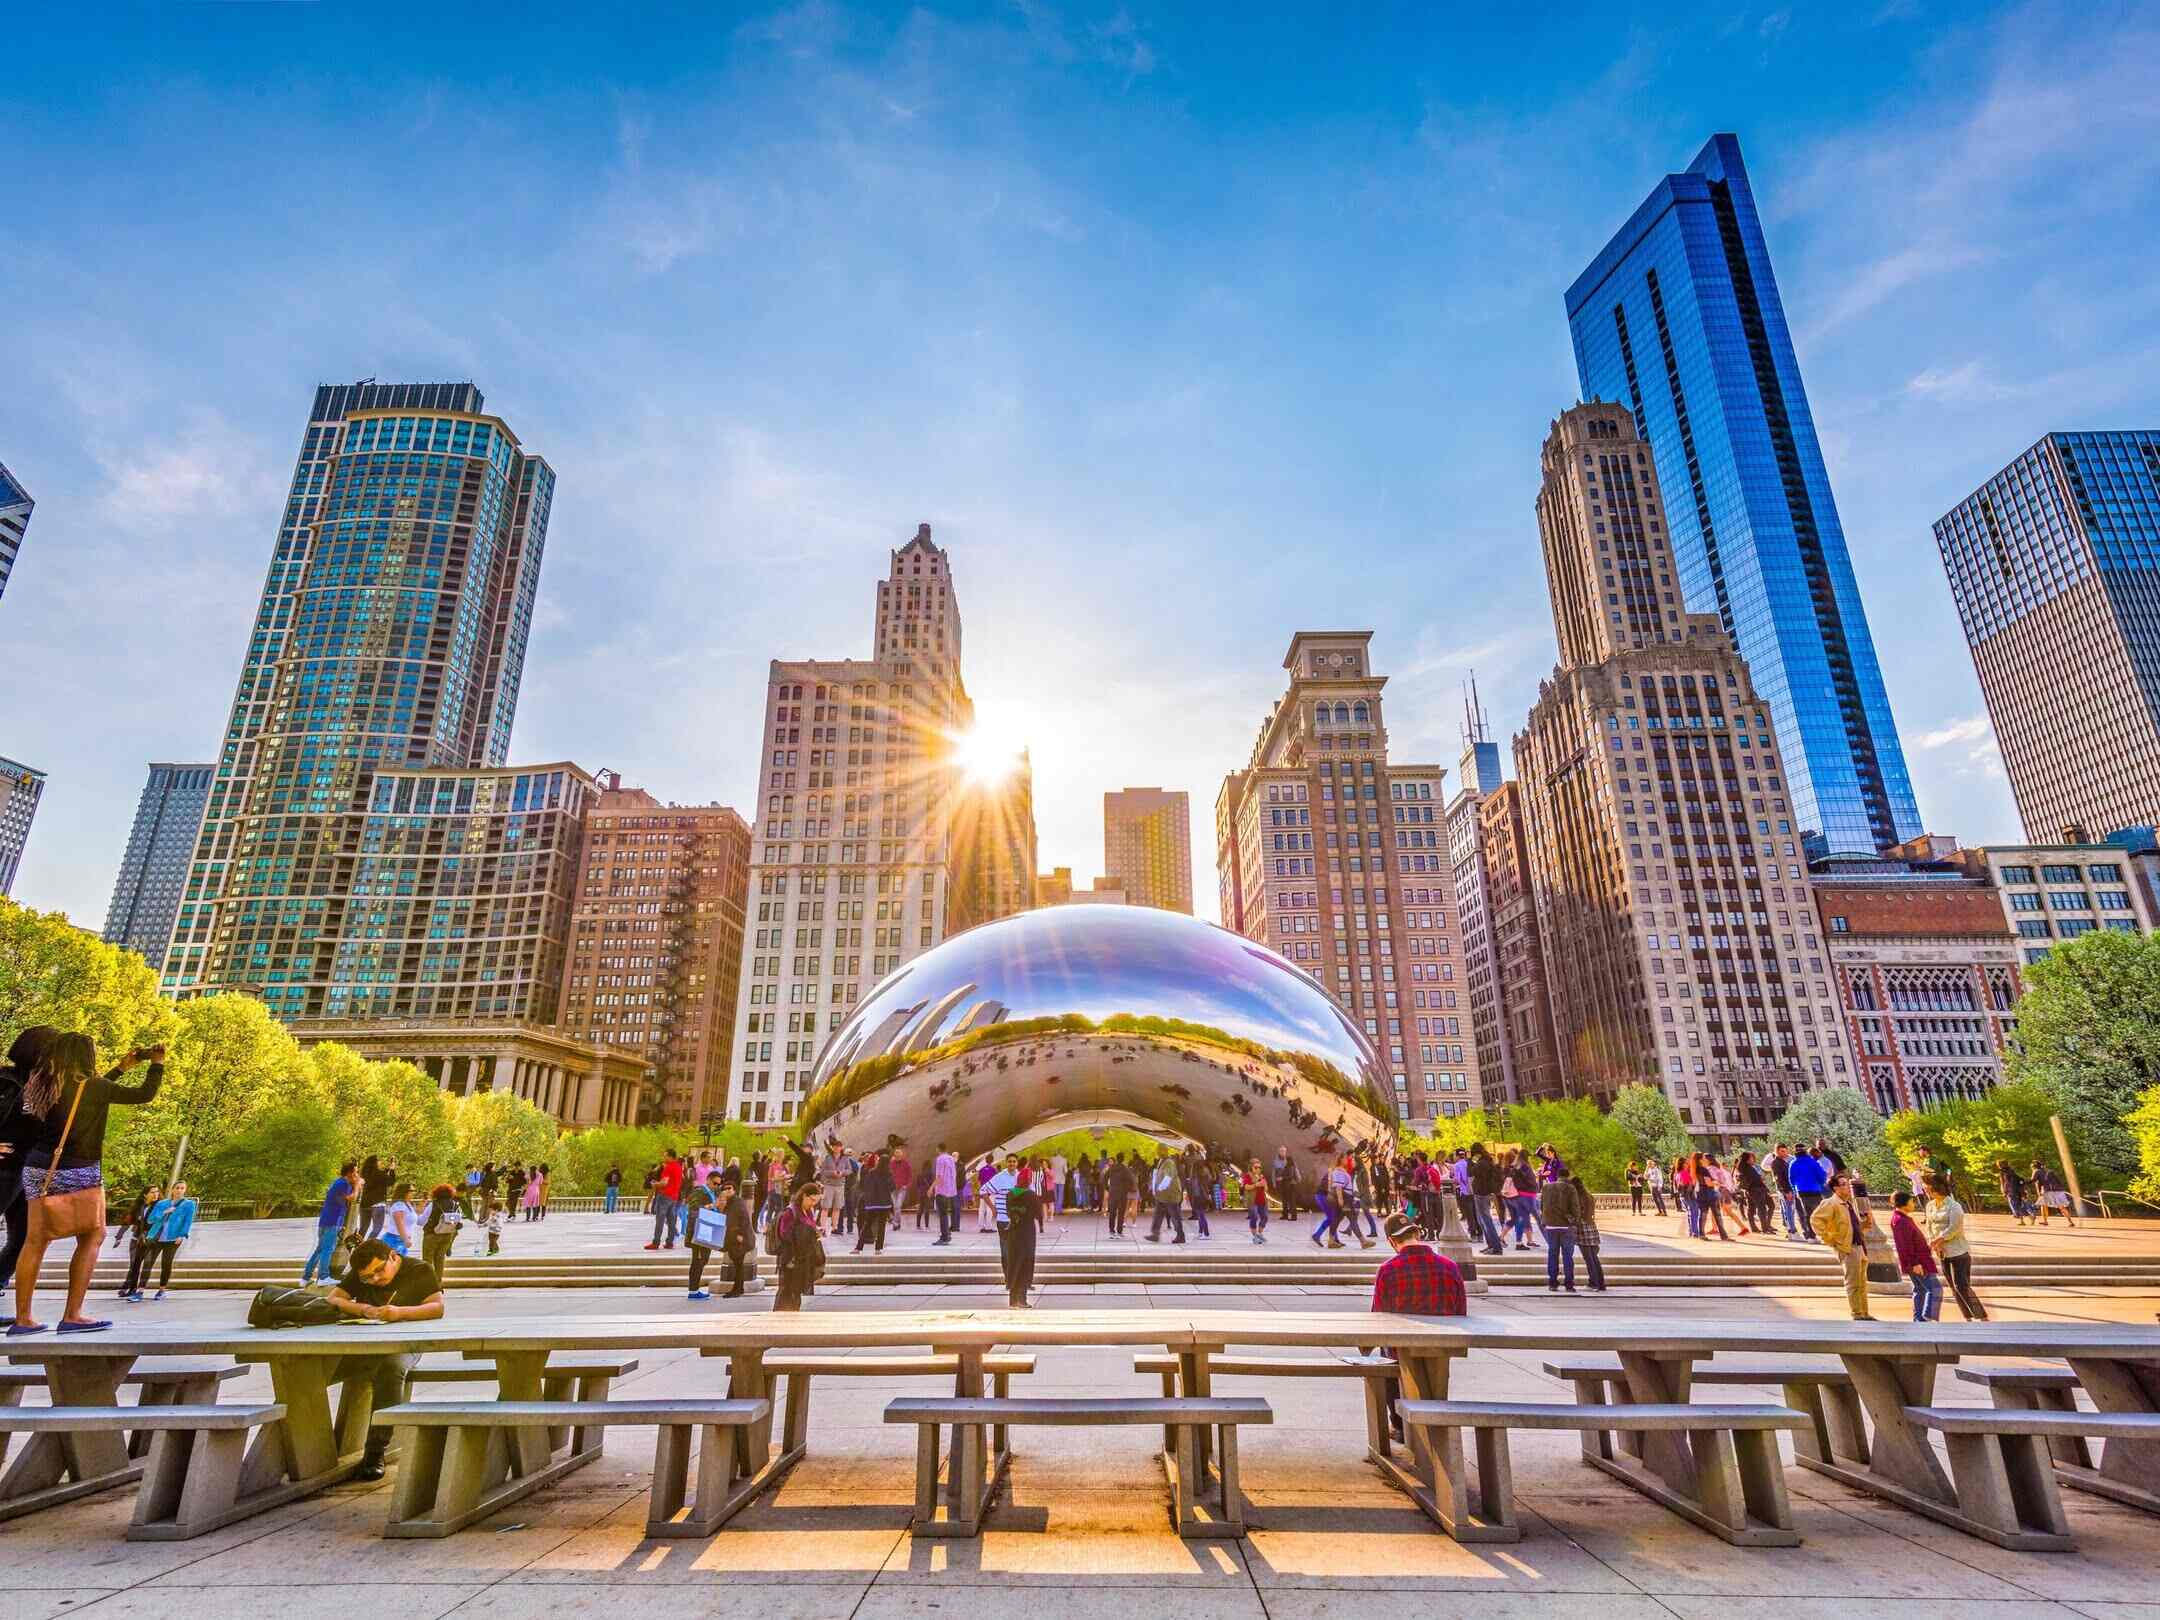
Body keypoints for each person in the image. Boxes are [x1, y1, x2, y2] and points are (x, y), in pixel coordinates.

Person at [9, 1033, 165, 1337]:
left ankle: (23, 1319)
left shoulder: (41, 1083)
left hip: (38, 1167)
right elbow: (143, 1094)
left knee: (35, 1241)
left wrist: (120, 1068)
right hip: (79, 1168)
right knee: (93, 1235)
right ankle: (73, 1314)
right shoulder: (94, 1086)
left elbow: (81, 1102)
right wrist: (156, 1065)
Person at [325, 1236, 447, 1480]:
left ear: (393, 1256)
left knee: (391, 1368)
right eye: (368, 1278)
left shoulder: (420, 1269)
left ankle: (376, 1449)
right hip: (364, 1342)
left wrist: (400, 1312)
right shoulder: (362, 1272)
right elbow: (333, 1298)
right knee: (315, 1368)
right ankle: (310, 1447)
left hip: (406, 1343)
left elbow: (437, 1307)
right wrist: (363, 1309)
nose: (376, 1279)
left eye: (379, 1271)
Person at [1809, 1170, 1876, 1321]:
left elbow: (1852, 1226)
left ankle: (1864, 1312)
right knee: (1853, 1282)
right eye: (1843, 1184)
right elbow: (1815, 1221)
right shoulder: (1830, 1203)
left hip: (1859, 1246)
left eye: (1847, 1184)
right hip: (1847, 1247)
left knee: (1862, 1282)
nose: (1847, 1187)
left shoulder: (1849, 1204)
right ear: (1835, 1189)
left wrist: (1865, 1224)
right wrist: (1832, 1239)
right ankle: (1857, 1313)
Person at [1924, 1172, 1988, 1321]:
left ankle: (1981, 1316)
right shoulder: (1930, 1206)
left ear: (1935, 1188)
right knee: (1953, 1287)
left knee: (1962, 1286)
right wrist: (1933, 1241)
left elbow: (1955, 1227)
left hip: (1958, 1252)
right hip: (1942, 1252)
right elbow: (1929, 1226)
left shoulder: (1954, 1206)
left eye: (1927, 1187)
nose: (1925, 1190)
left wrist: (1940, 1239)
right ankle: (1967, 1317)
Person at [134, 1179, 195, 1302]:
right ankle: (140, 1291)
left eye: (182, 1188)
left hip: (173, 1239)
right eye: (177, 1188)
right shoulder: (162, 1203)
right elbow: (150, 1220)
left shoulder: (189, 1204)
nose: (179, 1190)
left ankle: (161, 1291)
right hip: (156, 1237)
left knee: (166, 1264)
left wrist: (182, 1235)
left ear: (185, 1190)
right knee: (148, 1263)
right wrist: (164, 1212)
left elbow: (187, 1221)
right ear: (172, 1189)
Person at [1888, 1190, 1940, 1322]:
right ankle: (1927, 1317)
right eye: (1911, 1201)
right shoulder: (1901, 1221)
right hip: (1919, 1262)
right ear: (1904, 1204)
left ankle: (1919, 1320)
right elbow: (1905, 1245)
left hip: (1919, 1260)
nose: (1913, 1203)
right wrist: (1915, 1263)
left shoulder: (1902, 1218)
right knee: (1935, 1288)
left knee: (1920, 1290)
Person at [772, 1183, 825, 1311]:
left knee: (796, 1292)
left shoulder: (808, 1211)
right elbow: (784, 1234)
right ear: (804, 1196)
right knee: (786, 1291)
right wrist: (805, 1236)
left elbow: (809, 1228)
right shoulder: (790, 1211)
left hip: (803, 1259)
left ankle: (793, 1318)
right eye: (811, 1200)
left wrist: (815, 1232)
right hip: (791, 1258)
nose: (813, 1204)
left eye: (815, 1202)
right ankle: (779, 1320)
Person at [303, 1162, 357, 1286]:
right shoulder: (343, 1184)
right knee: (328, 1249)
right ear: (350, 1173)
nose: (357, 1175)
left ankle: (305, 1277)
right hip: (333, 1221)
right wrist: (358, 1185)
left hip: (326, 1220)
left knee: (320, 1249)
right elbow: (352, 1198)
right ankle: (323, 1277)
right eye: (356, 1172)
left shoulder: (338, 1182)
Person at [1538, 1170, 1583, 1293]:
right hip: (1565, 1226)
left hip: (1550, 1225)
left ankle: (1553, 1282)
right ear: (1567, 1176)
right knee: (1567, 1256)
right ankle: (1569, 1283)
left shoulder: (1546, 1187)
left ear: (1557, 1176)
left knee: (1552, 1253)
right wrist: (1575, 1222)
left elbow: (1542, 1205)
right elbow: (1575, 1207)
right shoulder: (1570, 1188)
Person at [115, 1182, 161, 1301]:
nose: (156, 1194)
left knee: (147, 1264)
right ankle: (131, 1288)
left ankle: (138, 1290)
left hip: (152, 1240)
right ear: (145, 1195)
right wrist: (119, 1236)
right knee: (134, 1265)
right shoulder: (139, 1207)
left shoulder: (159, 1206)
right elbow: (127, 1222)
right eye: (152, 1192)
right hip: (137, 1240)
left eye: (157, 1192)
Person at [1569, 1173, 1607, 1292]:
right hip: (1591, 1226)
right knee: (1594, 1257)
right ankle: (1600, 1282)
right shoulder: (1589, 1196)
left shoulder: (1577, 1197)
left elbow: (1577, 1214)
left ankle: (1594, 1282)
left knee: (1588, 1258)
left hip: (1582, 1228)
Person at [854, 1150, 895, 1254]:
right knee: (882, 1227)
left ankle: (858, 1248)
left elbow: (867, 1187)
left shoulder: (872, 1172)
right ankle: (878, 1249)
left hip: (872, 1204)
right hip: (884, 1204)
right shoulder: (889, 1174)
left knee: (867, 1225)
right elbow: (892, 1187)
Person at [1788, 1142, 1829, 1241]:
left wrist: (1795, 1189)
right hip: (1815, 1190)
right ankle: (1823, 1234)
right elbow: (1821, 1175)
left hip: (1801, 1191)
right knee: (1820, 1212)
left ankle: (1811, 1236)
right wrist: (1822, 1183)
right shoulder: (1812, 1162)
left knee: (1807, 1213)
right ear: (1805, 1151)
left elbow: (1791, 1179)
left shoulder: (1793, 1163)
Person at [646, 1149, 685, 1250]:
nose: (664, 1158)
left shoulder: (669, 1167)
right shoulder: (679, 1167)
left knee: (660, 1219)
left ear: (670, 1157)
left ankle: (656, 1242)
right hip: (674, 1196)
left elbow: (664, 1183)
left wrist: (654, 1184)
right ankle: (670, 1242)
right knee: (672, 1220)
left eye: (665, 1156)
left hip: (665, 1195)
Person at [420, 1182, 462, 1275]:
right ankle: (438, 1283)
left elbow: (421, 1221)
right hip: (447, 1235)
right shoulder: (455, 1205)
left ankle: (429, 1284)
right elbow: (459, 1221)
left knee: (427, 1261)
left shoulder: (433, 1205)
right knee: (440, 1260)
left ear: (436, 1193)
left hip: (431, 1235)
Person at [1145, 1154, 1185, 1244]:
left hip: (1170, 1195)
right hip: (1162, 1195)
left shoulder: (1169, 1163)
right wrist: (1155, 1189)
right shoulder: (1162, 1162)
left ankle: (1180, 1235)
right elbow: (1157, 1176)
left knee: (1174, 1215)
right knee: (1158, 1215)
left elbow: (1168, 1178)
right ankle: (1155, 1234)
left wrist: (1160, 1187)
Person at [2032, 1160, 2078, 1228]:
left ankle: (2045, 1221)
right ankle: (2070, 1222)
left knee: (2043, 1205)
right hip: (2058, 1190)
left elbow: (2033, 1180)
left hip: (2047, 1191)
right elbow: (2058, 1180)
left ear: (2034, 1167)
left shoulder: (2037, 1171)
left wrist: (2022, 1182)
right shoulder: (2049, 1171)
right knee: (2061, 1207)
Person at [1104, 1153, 1133, 1239]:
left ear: (1116, 1159)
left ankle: (1111, 1231)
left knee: (1112, 1212)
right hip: (1122, 1194)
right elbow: (1131, 1180)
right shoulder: (1125, 1169)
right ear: (1123, 1159)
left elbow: (1105, 1177)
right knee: (1121, 1212)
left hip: (1113, 1192)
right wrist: (1127, 1189)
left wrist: (1107, 1188)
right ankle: (1119, 1231)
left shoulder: (1112, 1168)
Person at [384, 1181, 417, 1256]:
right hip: (395, 1239)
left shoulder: (408, 1204)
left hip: (401, 1240)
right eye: (411, 1191)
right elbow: (399, 1223)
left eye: (414, 1191)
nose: (414, 1193)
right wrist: (405, 1239)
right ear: (404, 1192)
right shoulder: (399, 1205)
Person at [1243, 1158, 1271, 1244]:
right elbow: (1246, 1187)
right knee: (1254, 1217)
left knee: (1265, 1217)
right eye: (1256, 1167)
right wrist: (1256, 1185)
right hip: (1252, 1201)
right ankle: (1255, 1237)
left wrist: (1264, 1184)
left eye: (1259, 1167)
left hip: (1262, 1200)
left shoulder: (1262, 1176)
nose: (1258, 1169)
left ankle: (1259, 1234)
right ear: (1251, 1167)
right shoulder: (1247, 1176)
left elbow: (1266, 1189)